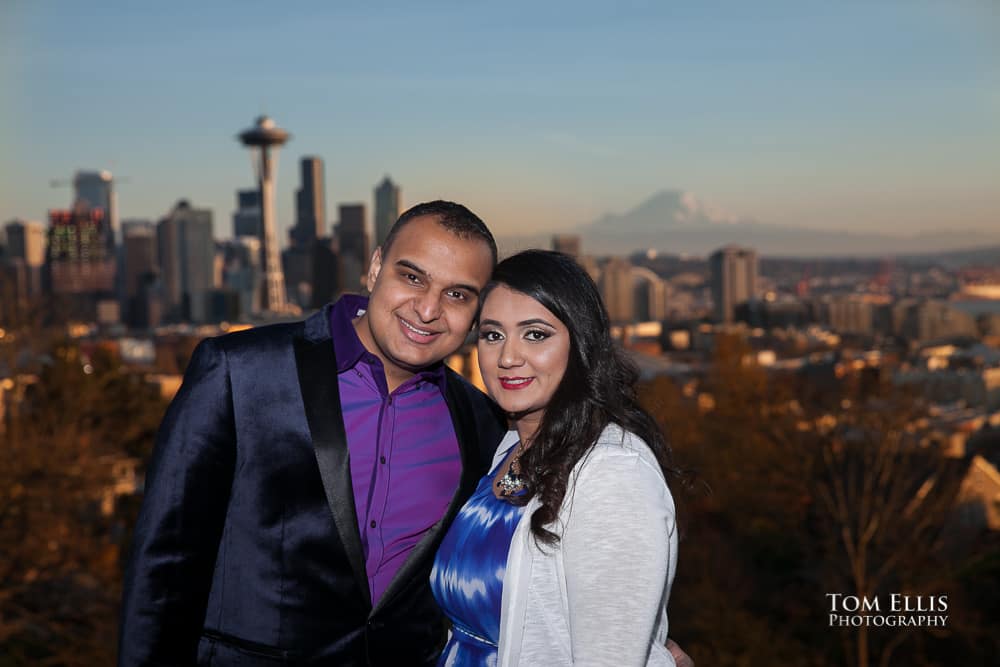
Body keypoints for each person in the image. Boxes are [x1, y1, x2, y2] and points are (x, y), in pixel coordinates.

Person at [119, 201, 508, 665]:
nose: (427, 309)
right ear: (376, 266)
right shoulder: (239, 373)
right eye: (413, 277)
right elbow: (164, 567)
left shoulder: (481, 419)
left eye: (458, 295)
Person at [430, 250, 680, 666]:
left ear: (579, 343)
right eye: (492, 335)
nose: (508, 357)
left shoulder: (612, 473)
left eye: (535, 334)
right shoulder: (508, 450)